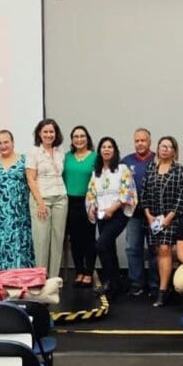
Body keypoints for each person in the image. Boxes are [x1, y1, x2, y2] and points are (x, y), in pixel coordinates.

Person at [141, 136, 183, 307]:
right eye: (162, 146)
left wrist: (169, 218)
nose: (165, 149)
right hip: (153, 219)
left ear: (174, 151)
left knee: (164, 249)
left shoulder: (179, 170)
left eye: (169, 147)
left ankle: (162, 291)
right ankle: (164, 286)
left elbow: (182, 196)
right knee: (157, 251)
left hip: (171, 218)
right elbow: (144, 193)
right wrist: (147, 214)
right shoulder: (151, 168)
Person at [86, 137, 136, 297]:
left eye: (110, 147)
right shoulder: (97, 173)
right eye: (103, 147)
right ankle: (118, 286)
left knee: (100, 245)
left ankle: (109, 281)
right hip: (102, 215)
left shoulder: (122, 169)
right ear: (99, 151)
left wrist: (113, 208)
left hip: (118, 215)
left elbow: (127, 191)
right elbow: (91, 193)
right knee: (109, 249)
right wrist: (91, 207)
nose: (106, 150)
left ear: (114, 150)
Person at [26, 119, 68, 280]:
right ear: (39, 133)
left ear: (55, 134)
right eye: (45, 132)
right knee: (41, 241)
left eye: (51, 132)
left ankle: (54, 279)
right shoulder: (33, 152)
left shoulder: (60, 151)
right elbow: (31, 179)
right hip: (41, 200)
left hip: (60, 198)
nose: (49, 135)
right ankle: (40, 279)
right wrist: (41, 203)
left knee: (57, 240)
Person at [0, 130, 34, 271]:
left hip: (20, 214)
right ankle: (1, 278)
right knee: (0, 244)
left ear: (13, 143)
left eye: (6, 142)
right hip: (0, 217)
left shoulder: (24, 160)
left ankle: (23, 279)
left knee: (21, 243)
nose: (3, 146)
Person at [121, 128, 158, 297]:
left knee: (155, 250)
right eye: (137, 141)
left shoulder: (159, 159)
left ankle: (155, 284)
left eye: (143, 140)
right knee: (132, 248)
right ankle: (136, 283)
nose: (140, 143)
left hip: (155, 214)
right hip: (133, 214)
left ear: (150, 142)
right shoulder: (126, 162)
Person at [64, 125, 97, 287]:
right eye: (75, 136)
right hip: (70, 202)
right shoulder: (66, 157)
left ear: (87, 138)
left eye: (82, 136)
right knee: (75, 240)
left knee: (89, 239)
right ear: (72, 140)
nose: (79, 139)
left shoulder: (95, 157)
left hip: (89, 202)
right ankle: (79, 272)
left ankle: (89, 272)